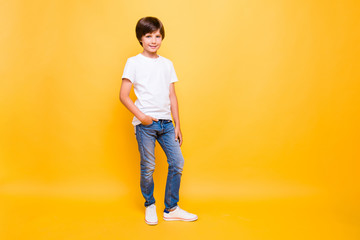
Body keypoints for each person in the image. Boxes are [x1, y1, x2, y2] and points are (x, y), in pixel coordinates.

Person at [119, 16, 198, 225]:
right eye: (148, 36)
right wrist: (142, 117)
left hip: (166, 124)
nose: (153, 40)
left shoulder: (167, 64)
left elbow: (172, 95)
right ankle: (150, 204)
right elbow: (124, 95)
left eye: (157, 36)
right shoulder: (133, 62)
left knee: (177, 162)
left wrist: (177, 125)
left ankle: (171, 208)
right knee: (149, 167)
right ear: (140, 39)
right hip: (146, 124)